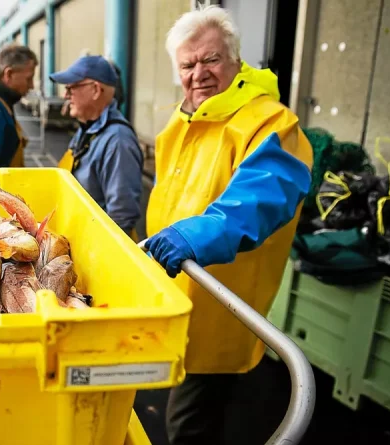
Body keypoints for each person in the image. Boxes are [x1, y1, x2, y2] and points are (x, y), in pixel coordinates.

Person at [143, 6, 313, 444]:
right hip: (178, 299)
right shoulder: (181, 122)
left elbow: (263, 197)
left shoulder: (272, 121)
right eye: (188, 64)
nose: (199, 72)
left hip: (220, 313)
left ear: (237, 60)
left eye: (211, 59)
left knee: (188, 426)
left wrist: (195, 235)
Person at [50, 56, 143, 238]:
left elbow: (120, 218)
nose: (65, 96)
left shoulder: (117, 140)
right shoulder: (87, 130)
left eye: (71, 87)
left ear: (95, 90)